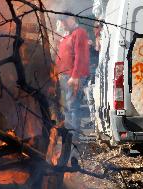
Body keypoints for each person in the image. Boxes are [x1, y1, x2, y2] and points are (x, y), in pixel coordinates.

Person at [56, 13, 90, 141]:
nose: (63, 24)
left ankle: (73, 137)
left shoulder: (79, 33)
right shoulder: (67, 35)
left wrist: (75, 76)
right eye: (61, 22)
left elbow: (80, 56)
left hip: (73, 76)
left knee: (72, 106)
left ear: (72, 19)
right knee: (67, 106)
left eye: (64, 21)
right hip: (64, 76)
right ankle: (70, 133)